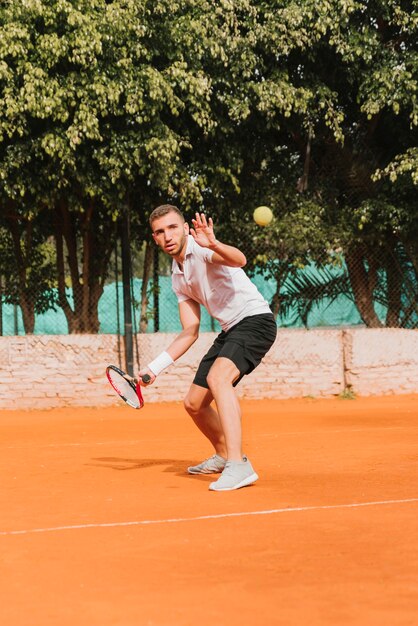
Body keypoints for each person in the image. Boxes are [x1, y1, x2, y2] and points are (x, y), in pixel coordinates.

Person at [138, 204, 277, 491]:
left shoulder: (201, 249)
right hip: (231, 330)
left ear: (185, 228)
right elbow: (190, 331)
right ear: (154, 238)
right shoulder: (178, 277)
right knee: (194, 403)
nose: (167, 236)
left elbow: (239, 260)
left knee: (218, 378)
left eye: (172, 227)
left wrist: (214, 243)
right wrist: (153, 370)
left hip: (255, 321)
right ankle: (224, 454)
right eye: (159, 232)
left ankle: (239, 465)